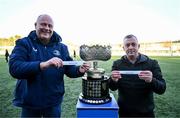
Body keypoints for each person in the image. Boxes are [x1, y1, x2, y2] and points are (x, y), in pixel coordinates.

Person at [9, 14, 90, 117]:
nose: (47, 28)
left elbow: (69, 69)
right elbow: (15, 68)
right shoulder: (24, 43)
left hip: (53, 102)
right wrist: (43, 65)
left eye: (50, 26)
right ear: (35, 25)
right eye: (43, 24)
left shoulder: (62, 47)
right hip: (30, 103)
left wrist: (79, 70)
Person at [109, 34, 166, 117]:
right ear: (123, 48)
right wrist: (113, 80)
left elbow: (162, 89)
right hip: (124, 112)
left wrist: (151, 80)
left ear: (138, 46)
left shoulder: (152, 63)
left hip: (146, 113)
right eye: (127, 45)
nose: (130, 47)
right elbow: (113, 87)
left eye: (133, 44)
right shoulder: (117, 64)